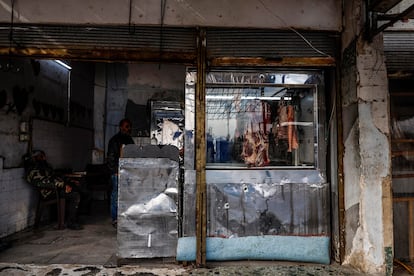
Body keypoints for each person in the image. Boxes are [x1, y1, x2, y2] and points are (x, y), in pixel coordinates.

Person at [24, 150, 83, 230]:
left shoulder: (45, 167)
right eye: (41, 157)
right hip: (49, 192)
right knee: (74, 195)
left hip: (57, 189)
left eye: (43, 156)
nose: (44, 158)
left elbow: (55, 176)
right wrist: (63, 185)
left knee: (78, 189)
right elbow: (42, 182)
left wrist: (69, 181)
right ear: (35, 158)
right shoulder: (32, 171)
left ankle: (73, 217)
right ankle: (71, 222)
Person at [107, 118, 134, 227]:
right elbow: (111, 157)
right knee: (116, 195)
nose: (129, 128)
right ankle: (115, 219)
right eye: (127, 126)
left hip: (127, 172)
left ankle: (124, 217)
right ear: (121, 127)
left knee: (127, 195)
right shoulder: (115, 140)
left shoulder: (129, 140)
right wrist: (114, 171)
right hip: (117, 173)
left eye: (129, 126)